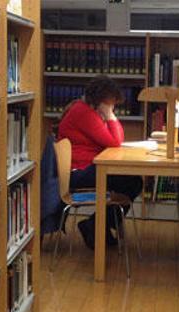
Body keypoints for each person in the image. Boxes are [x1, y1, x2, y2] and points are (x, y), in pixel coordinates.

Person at [58, 76, 143, 249]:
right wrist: (110, 115)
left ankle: (96, 225)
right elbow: (115, 141)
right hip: (78, 173)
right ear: (100, 101)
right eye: (111, 104)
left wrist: (109, 115)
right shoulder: (83, 112)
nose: (112, 108)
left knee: (133, 181)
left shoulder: (86, 110)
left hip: (86, 168)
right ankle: (96, 226)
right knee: (131, 181)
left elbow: (115, 139)